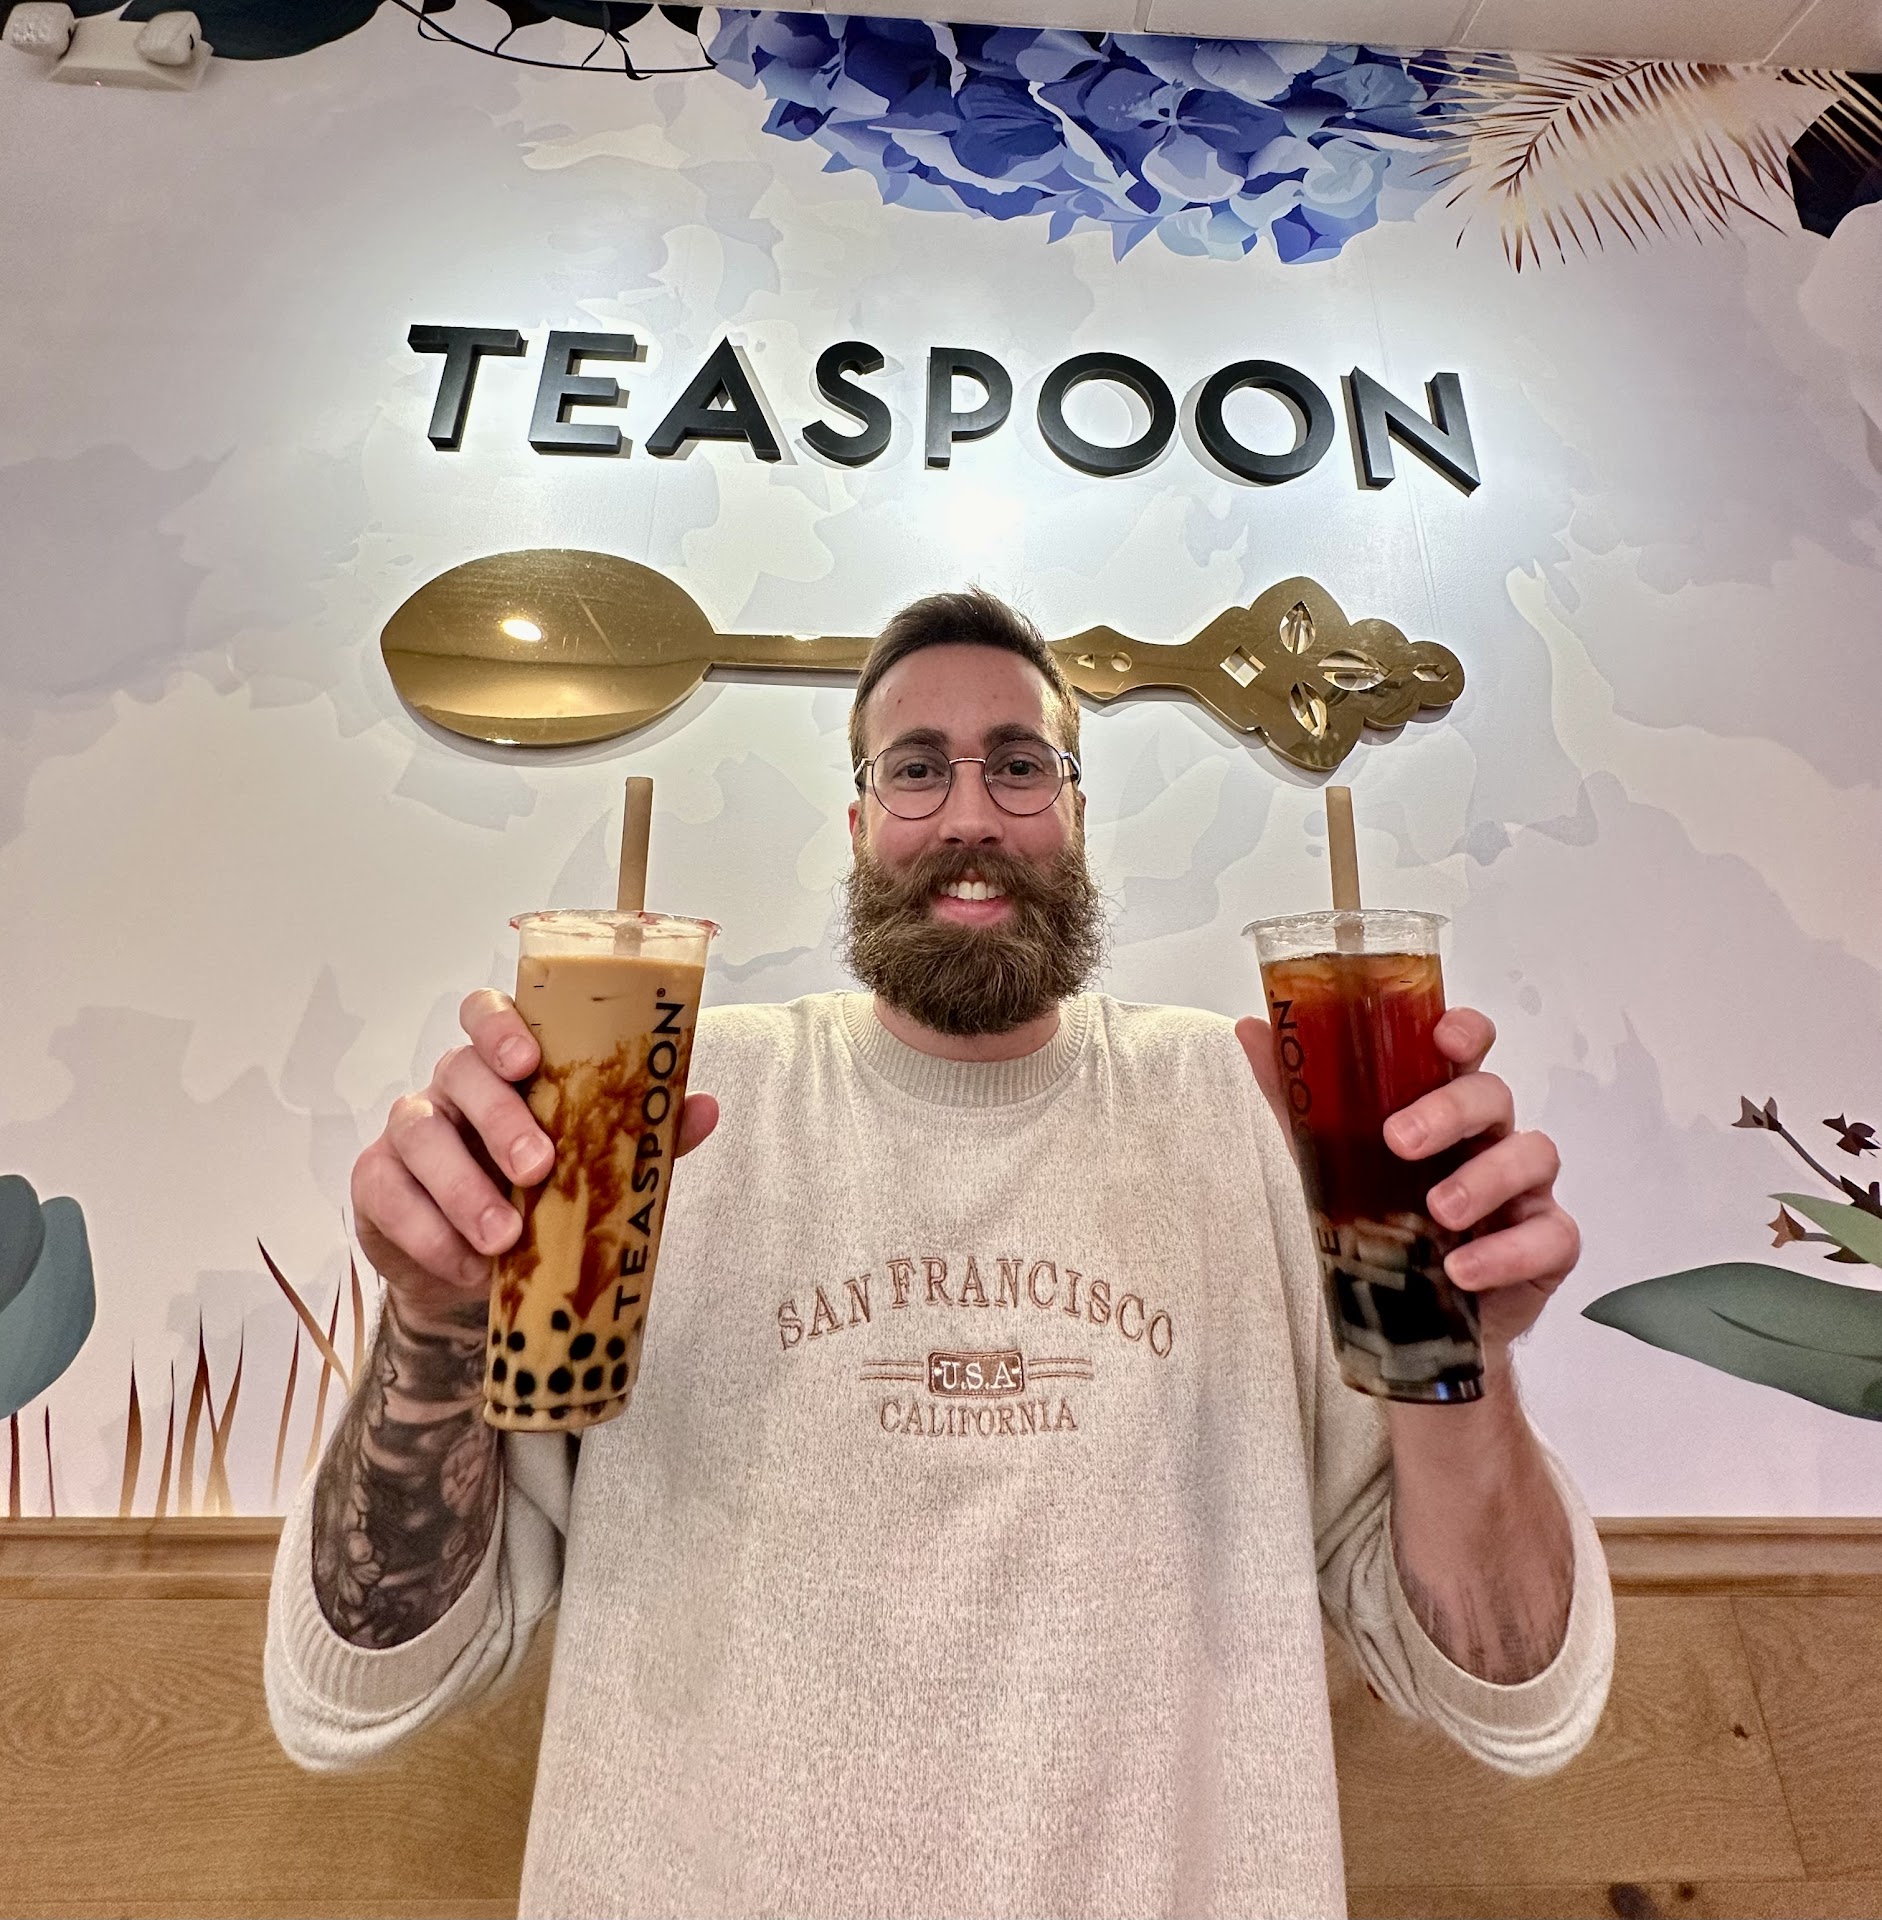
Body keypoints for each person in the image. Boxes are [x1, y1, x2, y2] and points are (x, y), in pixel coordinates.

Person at [266, 588, 1612, 1918]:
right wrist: (437, 1318)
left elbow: (1510, 1693)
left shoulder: (1247, 1114)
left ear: (1075, 816)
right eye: (917, 769)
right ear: (859, 825)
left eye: (1019, 765)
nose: (970, 813)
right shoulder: (659, 1111)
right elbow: (365, 1678)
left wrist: (1460, 1352)